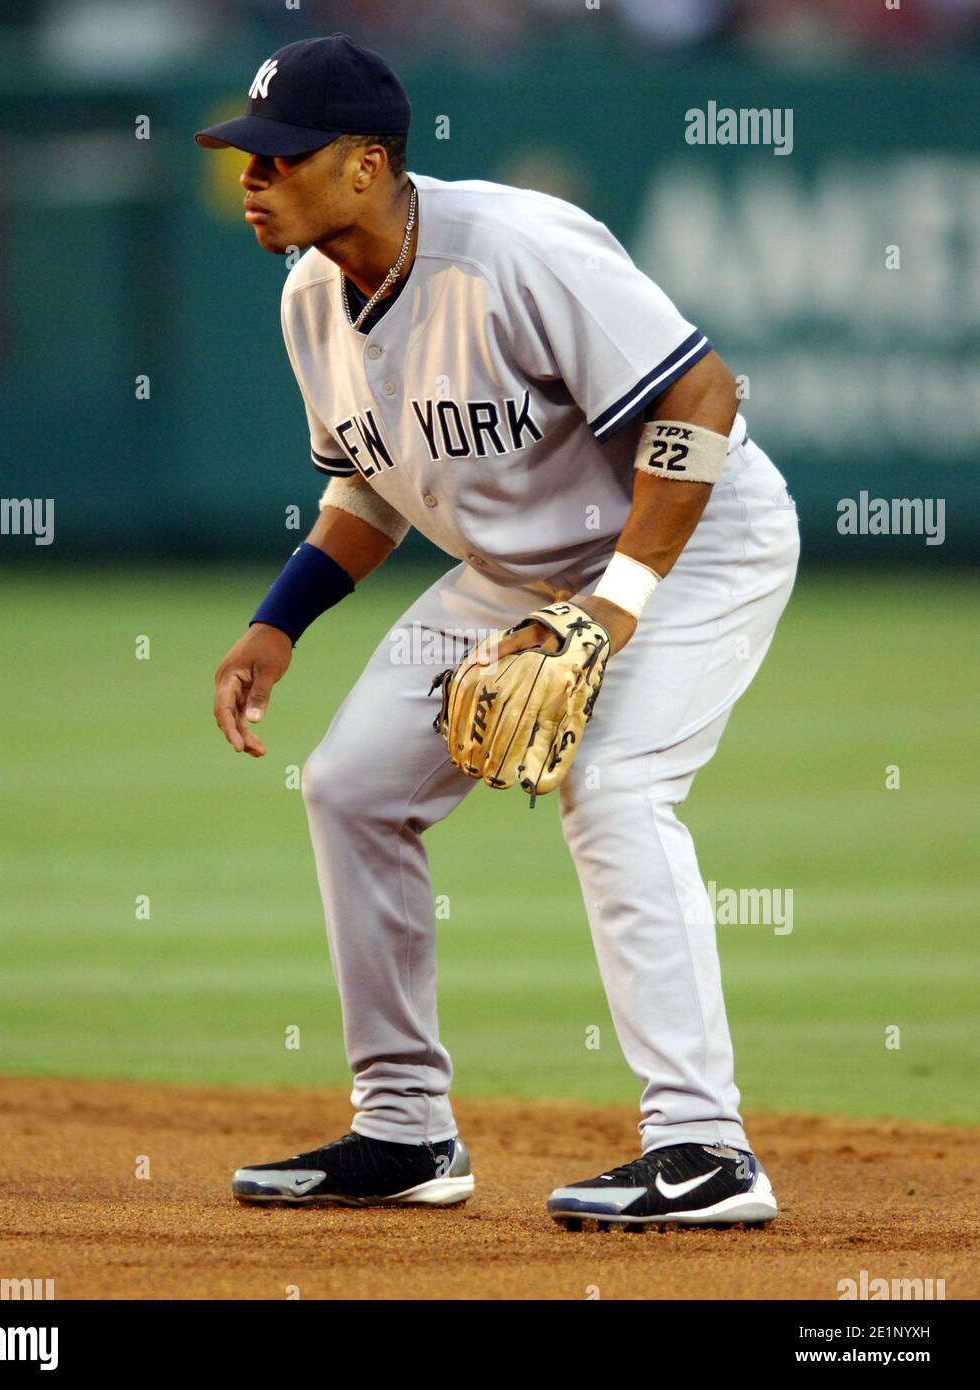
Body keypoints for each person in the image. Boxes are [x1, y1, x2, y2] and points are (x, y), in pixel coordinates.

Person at [198, 32, 798, 1227]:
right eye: (247, 158)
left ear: (366, 165)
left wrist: (611, 608)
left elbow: (703, 394)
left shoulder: (517, 247)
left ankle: (704, 1147)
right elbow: (373, 486)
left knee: (613, 787)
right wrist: (280, 623)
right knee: (352, 787)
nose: (252, 180)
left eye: (279, 157)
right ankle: (405, 1129)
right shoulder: (310, 296)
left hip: (685, 543)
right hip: (515, 573)